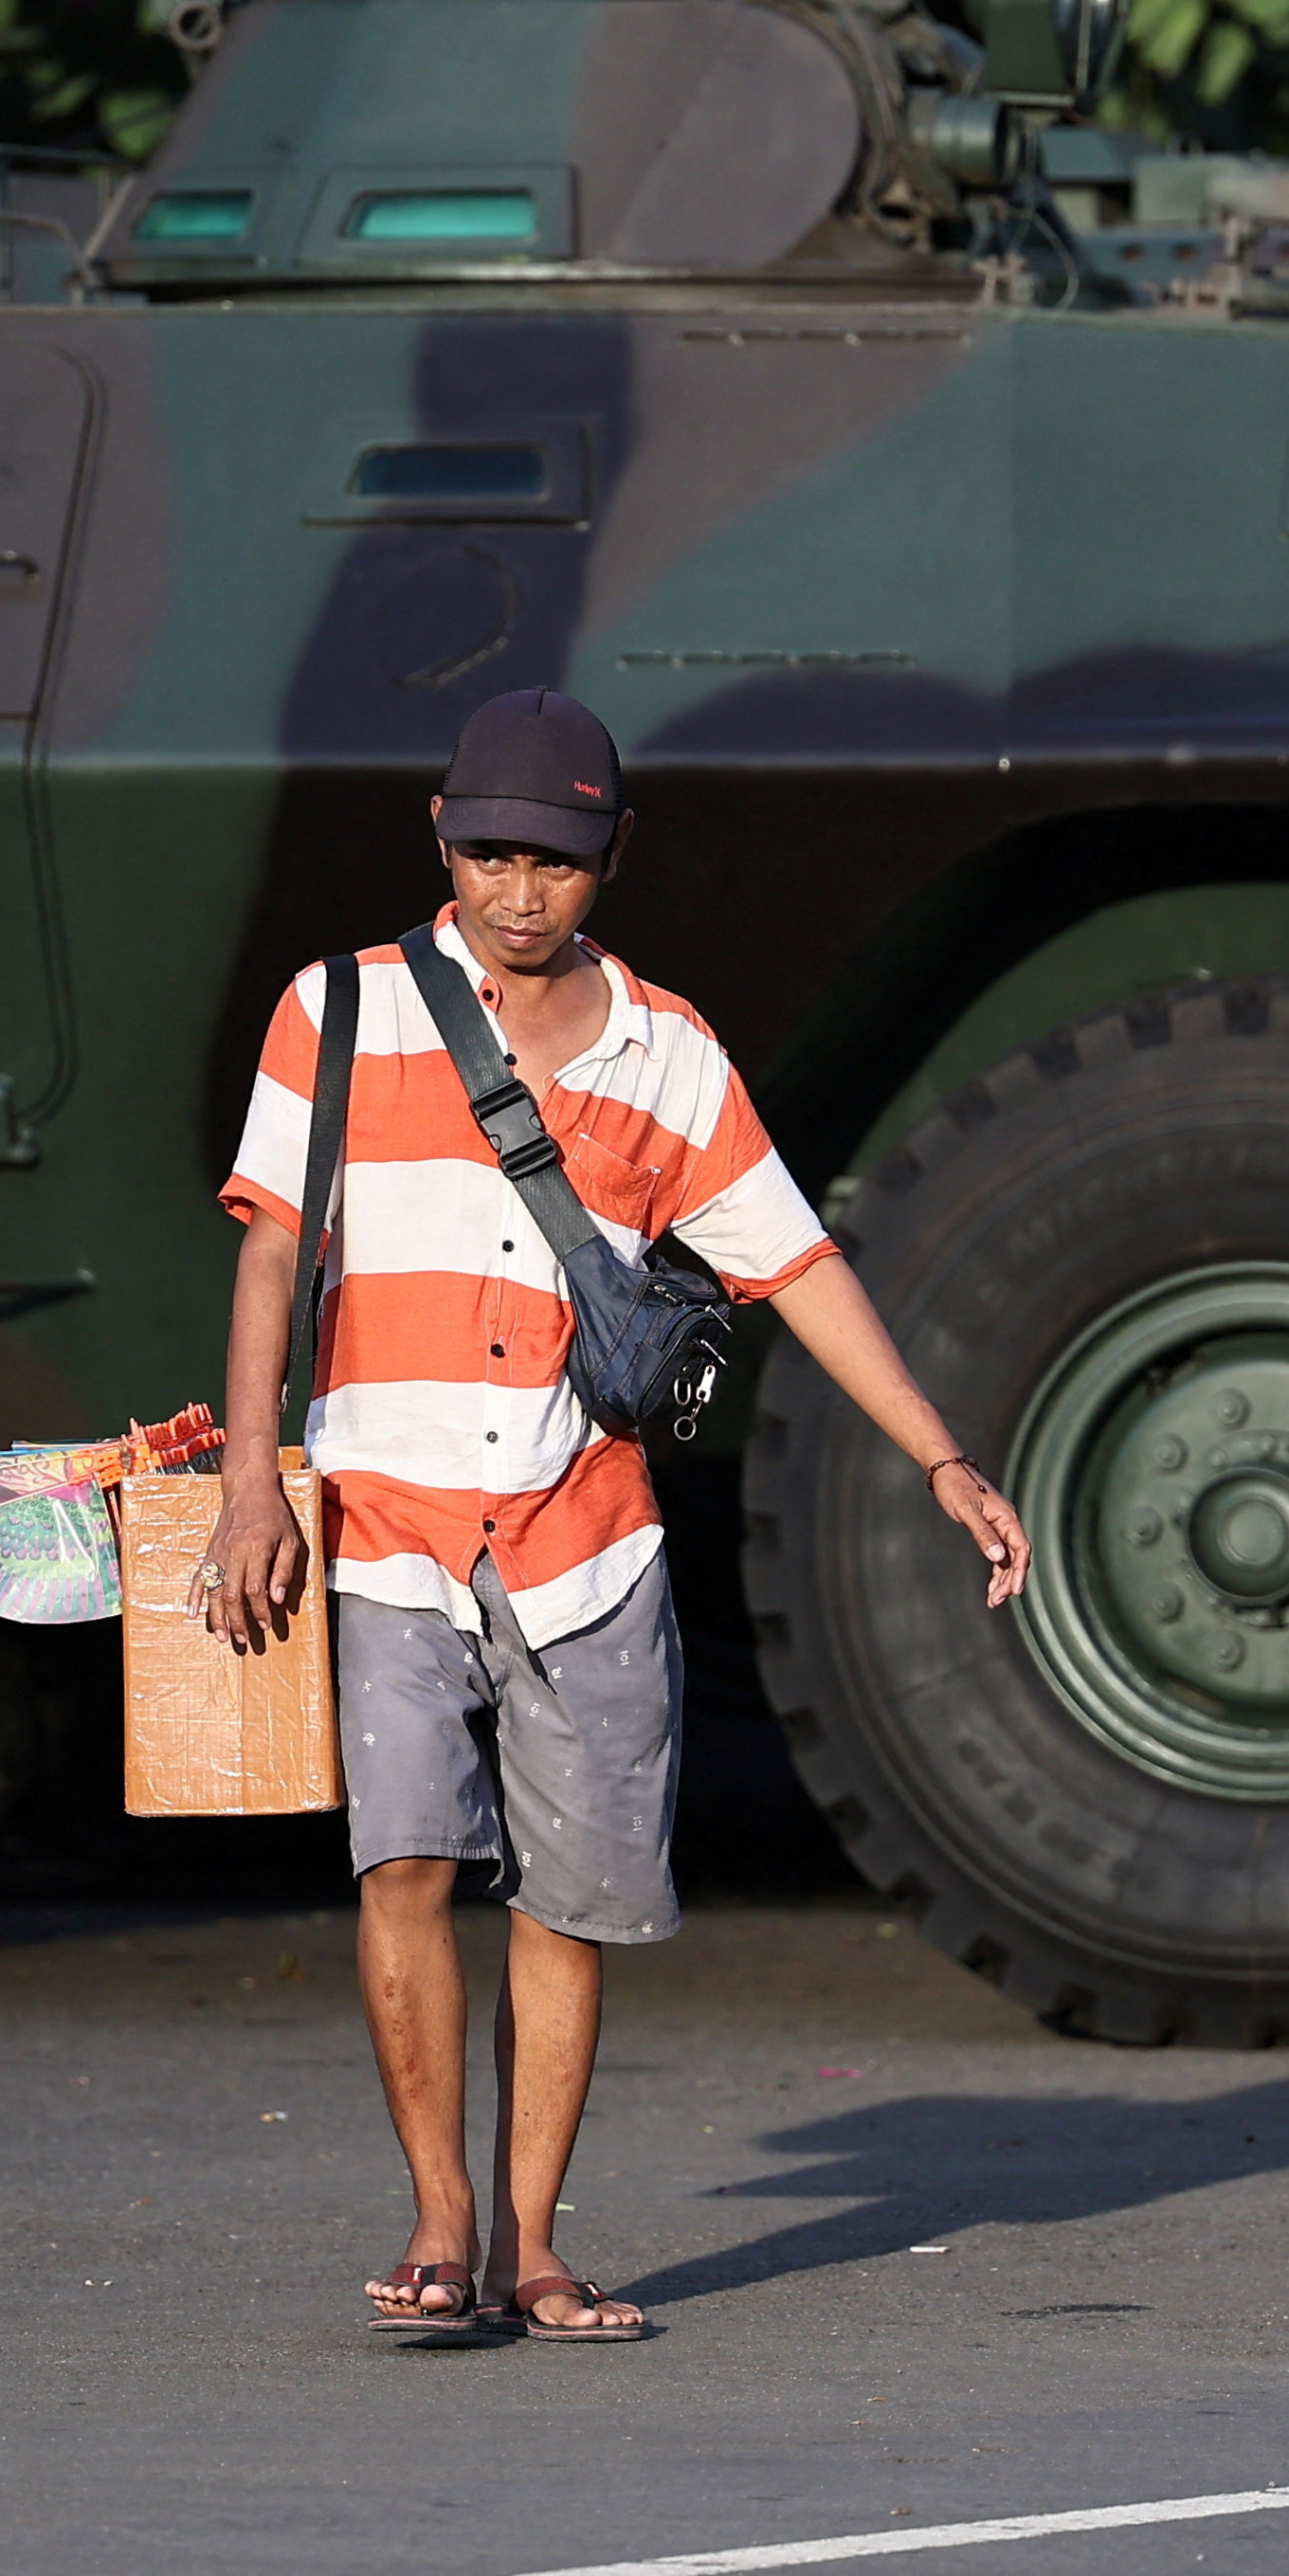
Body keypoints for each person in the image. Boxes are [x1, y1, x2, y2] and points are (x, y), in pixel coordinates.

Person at [204, 687, 1028, 2344]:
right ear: (443, 840)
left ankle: (533, 2245)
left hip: (589, 1538)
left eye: (559, 862)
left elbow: (794, 1259)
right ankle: (440, 2225)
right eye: (494, 853)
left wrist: (945, 1456)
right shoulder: (343, 1012)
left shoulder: (673, 1052)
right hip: (385, 1522)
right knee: (408, 1863)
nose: (523, 891)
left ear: (613, 858)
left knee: (571, 1904)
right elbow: (274, 1248)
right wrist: (246, 1480)